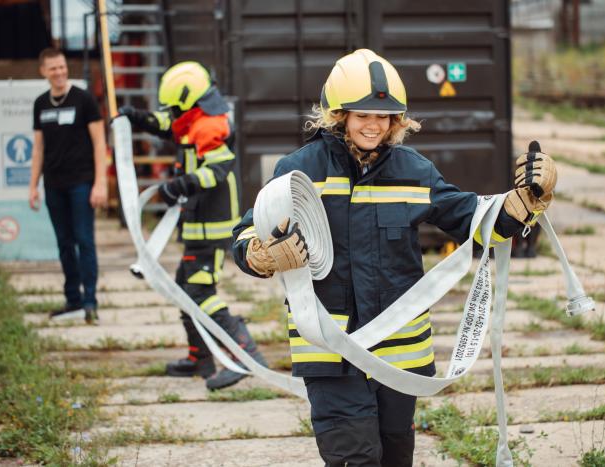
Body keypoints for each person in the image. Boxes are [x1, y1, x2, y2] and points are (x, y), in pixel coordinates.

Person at [232, 49, 557, 466]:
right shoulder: (300, 170)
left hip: (400, 357)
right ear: (339, 114)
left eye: (384, 117)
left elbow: (476, 222)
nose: (374, 125)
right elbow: (246, 231)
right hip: (332, 355)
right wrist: (260, 254)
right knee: (356, 458)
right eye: (363, 114)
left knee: (394, 456)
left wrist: (526, 202)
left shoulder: (415, 171)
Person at [118, 61, 267, 391]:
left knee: (201, 293)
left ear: (187, 102)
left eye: (173, 107)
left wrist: (179, 185)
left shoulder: (209, 126)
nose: (170, 113)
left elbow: (217, 169)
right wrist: (136, 117)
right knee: (185, 290)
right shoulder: (192, 118)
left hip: (210, 227)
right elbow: (167, 125)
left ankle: (246, 355)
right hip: (198, 223)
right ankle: (200, 358)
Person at [29, 48, 107, 324]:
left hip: (82, 183)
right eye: (53, 69)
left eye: (62, 67)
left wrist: (100, 182)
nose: (59, 72)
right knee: (64, 244)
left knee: (84, 241)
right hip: (54, 185)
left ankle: (90, 302)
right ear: (44, 72)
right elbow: (38, 149)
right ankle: (72, 299)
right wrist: (33, 185)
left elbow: (99, 143)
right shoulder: (41, 104)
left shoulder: (84, 100)